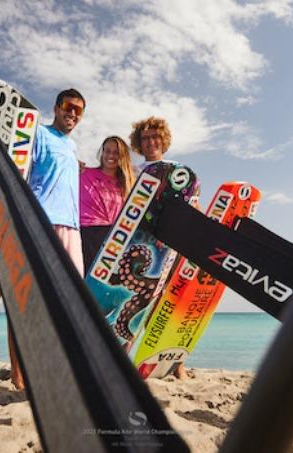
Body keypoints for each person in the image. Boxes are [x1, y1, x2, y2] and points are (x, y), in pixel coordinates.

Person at [10, 88, 86, 390]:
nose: (73, 114)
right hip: (41, 222)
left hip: (72, 228)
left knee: (71, 301)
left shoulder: (72, 145)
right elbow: (19, 168)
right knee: (28, 300)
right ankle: (18, 374)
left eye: (79, 111)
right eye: (69, 107)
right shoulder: (37, 134)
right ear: (56, 107)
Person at [127, 116, 190, 380]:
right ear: (139, 143)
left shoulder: (179, 169)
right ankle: (124, 357)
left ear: (163, 139)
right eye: (145, 138)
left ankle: (175, 366)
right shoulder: (133, 170)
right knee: (135, 300)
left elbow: (189, 206)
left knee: (166, 301)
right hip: (139, 243)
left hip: (171, 244)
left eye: (155, 137)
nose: (151, 141)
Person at [80, 136, 135, 271]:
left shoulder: (128, 184)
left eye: (116, 152)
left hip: (114, 240)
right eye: (107, 151)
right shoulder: (83, 173)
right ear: (102, 152)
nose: (111, 155)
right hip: (86, 234)